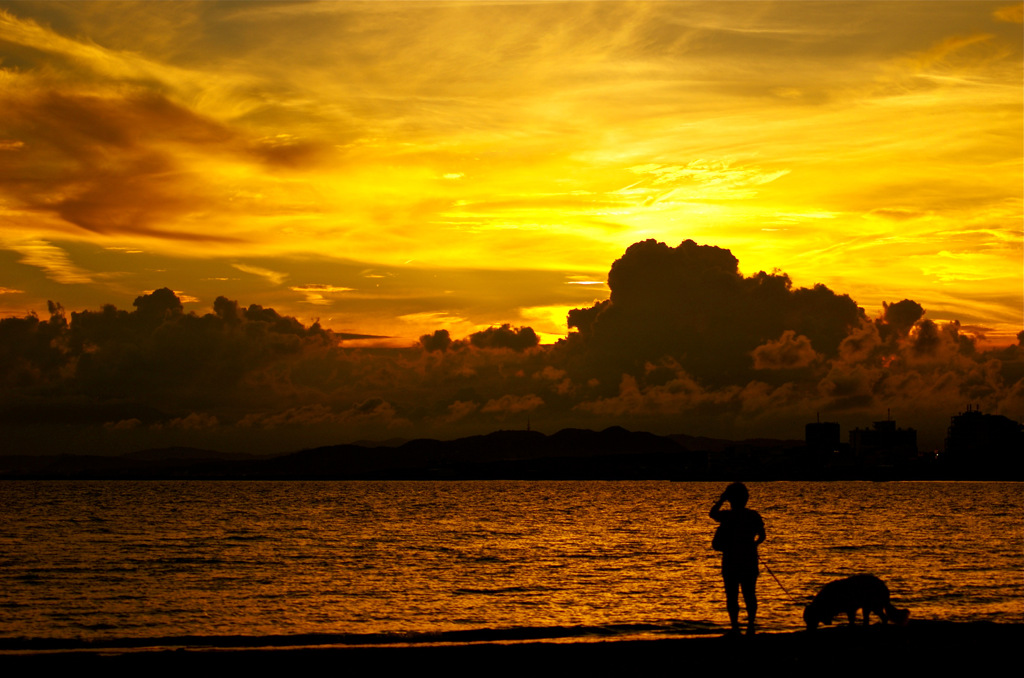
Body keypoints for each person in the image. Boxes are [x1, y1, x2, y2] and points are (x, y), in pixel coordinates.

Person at [710, 482, 766, 635]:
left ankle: (735, 626)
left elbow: (712, 513)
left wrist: (721, 499)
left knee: (732, 594)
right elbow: (762, 536)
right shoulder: (753, 515)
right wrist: (753, 545)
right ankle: (751, 626)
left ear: (730, 499)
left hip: (731, 560)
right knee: (750, 593)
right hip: (749, 559)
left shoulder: (727, 516)